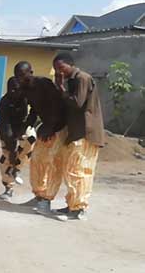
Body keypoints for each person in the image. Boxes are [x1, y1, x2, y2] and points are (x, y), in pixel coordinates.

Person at [53, 53, 105, 221]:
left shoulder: (82, 78)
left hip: (86, 132)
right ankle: (72, 205)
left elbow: (77, 103)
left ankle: (78, 209)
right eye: (56, 70)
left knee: (79, 171)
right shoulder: (73, 80)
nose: (59, 72)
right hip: (76, 131)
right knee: (71, 171)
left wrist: (61, 87)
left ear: (70, 64)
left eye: (61, 68)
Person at [15, 61, 67, 214]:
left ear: (31, 72)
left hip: (59, 128)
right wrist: (27, 125)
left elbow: (57, 106)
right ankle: (39, 195)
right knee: (37, 161)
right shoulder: (26, 89)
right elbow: (34, 110)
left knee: (53, 165)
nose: (20, 78)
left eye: (22, 74)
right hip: (46, 128)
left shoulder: (44, 84)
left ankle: (47, 200)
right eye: (17, 76)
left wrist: (51, 127)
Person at [0, 76, 37, 200]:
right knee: (6, 159)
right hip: (6, 130)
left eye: (16, 89)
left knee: (31, 137)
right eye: (11, 89)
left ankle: (17, 169)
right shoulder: (4, 102)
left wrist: (23, 129)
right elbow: (6, 127)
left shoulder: (26, 97)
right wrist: (12, 150)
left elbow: (31, 114)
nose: (13, 92)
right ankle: (9, 188)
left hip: (21, 127)